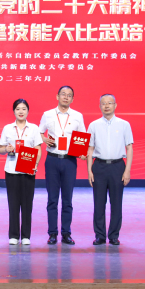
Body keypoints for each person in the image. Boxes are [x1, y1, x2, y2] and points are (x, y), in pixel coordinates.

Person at [39, 85, 86, 245]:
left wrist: (82, 152)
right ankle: (52, 233)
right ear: (57, 96)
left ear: (72, 99)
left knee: (67, 200)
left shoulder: (78, 116)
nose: (66, 97)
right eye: (63, 94)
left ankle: (66, 233)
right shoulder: (47, 114)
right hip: (52, 159)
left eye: (69, 95)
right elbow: (39, 132)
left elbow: (82, 137)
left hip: (69, 161)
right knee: (52, 199)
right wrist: (44, 139)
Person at [87, 94, 133, 246]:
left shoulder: (124, 124)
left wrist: (127, 170)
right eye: (103, 103)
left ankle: (114, 235)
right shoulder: (93, 125)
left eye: (110, 103)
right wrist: (89, 171)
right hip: (99, 167)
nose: (106, 106)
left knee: (116, 203)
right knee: (99, 204)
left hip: (117, 166)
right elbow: (90, 149)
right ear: (99, 106)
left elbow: (129, 148)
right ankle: (100, 236)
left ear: (115, 105)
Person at [0, 99, 43, 245]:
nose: (21, 111)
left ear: (28, 111)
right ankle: (13, 235)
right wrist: (6, 149)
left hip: (28, 170)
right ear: (14, 111)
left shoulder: (34, 128)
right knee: (13, 204)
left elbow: (38, 149)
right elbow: (0, 149)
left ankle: (25, 236)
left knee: (27, 204)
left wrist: (35, 165)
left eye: (24, 109)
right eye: (18, 109)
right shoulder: (7, 128)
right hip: (11, 170)